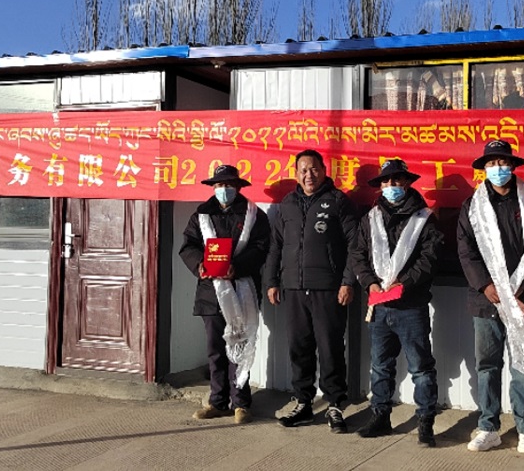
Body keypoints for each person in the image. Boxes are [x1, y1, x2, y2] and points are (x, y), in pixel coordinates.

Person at [458, 140, 524, 454]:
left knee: (523, 364)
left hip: (522, 296)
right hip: (486, 300)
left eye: (503, 163)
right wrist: (485, 285)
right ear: (483, 168)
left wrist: (523, 286)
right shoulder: (471, 206)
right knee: (487, 365)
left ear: (513, 166)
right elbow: (466, 251)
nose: (498, 169)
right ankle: (488, 427)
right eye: (492, 163)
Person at [350, 158, 442, 446]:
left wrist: (406, 282)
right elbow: (357, 255)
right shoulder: (370, 219)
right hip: (379, 304)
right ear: (380, 185)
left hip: (411, 305)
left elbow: (429, 258)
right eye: (386, 181)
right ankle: (381, 417)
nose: (391, 185)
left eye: (397, 180)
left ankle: (425, 421)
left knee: (420, 368)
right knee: (380, 366)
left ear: (407, 183)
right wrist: (369, 282)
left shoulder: (424, 218)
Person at [265, 149, 358, 430]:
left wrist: (347, 281)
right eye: (303, 170)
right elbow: (276, 246)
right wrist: (272, 281)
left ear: (324, 170)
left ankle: (334, 404)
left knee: (330, 348)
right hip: (293, 288)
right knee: (299, 347)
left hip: (328, 289)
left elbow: (355, 245)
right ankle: (303, 402)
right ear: (296, 174)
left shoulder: (338, 201)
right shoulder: (287, 204)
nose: (309, 175)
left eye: (314, 169)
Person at [179, 164, 271, 424]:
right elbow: (188, 246)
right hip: (211, 292)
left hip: (242, 290)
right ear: (213, 188)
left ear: (238, 187)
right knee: (215, 349)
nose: (224, 189)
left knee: (239, 346)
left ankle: (241, 403)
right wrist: (200, 265)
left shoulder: (254, 214)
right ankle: (218, 402)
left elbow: (261, 247)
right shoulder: (201, 215)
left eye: (229, 185)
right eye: (219, 185)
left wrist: (237, 267)